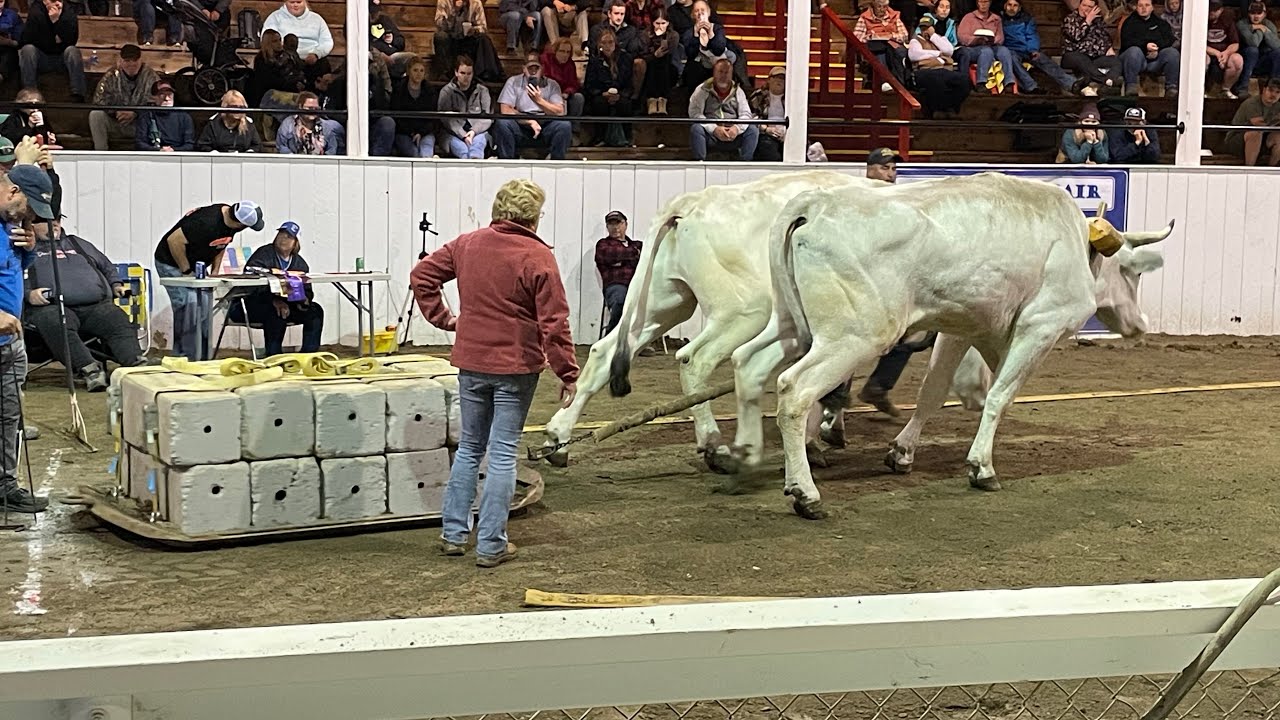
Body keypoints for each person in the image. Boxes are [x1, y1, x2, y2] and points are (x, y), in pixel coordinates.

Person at [410, 178, 578, 568]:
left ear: (497, 210)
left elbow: (422, 276)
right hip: (515, 366)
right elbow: (554, 322)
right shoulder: (537, 256)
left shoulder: (467, 243)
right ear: (534, 217)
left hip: (471, 360)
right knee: (502, 453)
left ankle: (453, 534)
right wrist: (567, 372)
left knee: (469, 448)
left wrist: (445, 320)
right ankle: (491, 544)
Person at [24, 217, 149, 391]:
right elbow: (8, 279)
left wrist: (116, 284)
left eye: (57, 220)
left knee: (116, 318)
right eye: (47, 221)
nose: (55, 224)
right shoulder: (25, 249)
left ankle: (137, 366)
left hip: (95, 306)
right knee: (56, 321)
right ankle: (90, 370)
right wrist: (28, 293)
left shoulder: (77, 243)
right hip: (50, 307)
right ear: (31, 225)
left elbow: (106, 266)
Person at [856, 147, 931, 417]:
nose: (890, 174)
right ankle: (835, 406)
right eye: (885, 168)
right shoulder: (858, 197)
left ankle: (876, 387)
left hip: (889, 280)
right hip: (864, 281)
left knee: (914, 336)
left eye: (893, 169)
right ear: (869, 168)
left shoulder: (896, 200)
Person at [0, 150, 53, 514]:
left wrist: (31, 250)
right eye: (29, 209)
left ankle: (5, 487)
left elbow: (12, 271)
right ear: (13, 190)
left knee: (7, 418)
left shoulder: (10, 224)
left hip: (9, 343)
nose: (31, 219)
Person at [154, 200, 265, 361]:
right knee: (189, 305)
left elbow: (220, 245)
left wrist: (214, 273)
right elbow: (174, 241)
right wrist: (185, 270)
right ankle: (184, 358)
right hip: (171, 261)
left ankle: (203, 358)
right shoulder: (206, 223)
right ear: (240, 224)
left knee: (204, 306)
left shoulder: (230, 222)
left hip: (195, 265)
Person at [237, 221, 324, 356]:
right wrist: (273, 300)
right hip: (255, 304)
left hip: (289, 304)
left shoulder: (300, 263)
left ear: (296, 242)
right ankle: (274, 356)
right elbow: (251, 285)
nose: (283, 238)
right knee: (276, 313)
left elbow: (307, 288)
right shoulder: (263, 254)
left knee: (315, 311)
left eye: (288, 236)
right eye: (281, 234)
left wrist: (304, 300)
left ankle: (308, 355)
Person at [594, 210, 641, 335]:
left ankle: (639, 342)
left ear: (625, 224)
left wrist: (622, 260)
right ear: (607, 227)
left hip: (637, 285)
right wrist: (634, 255)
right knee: (621, 300)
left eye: (618, 223)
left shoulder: (637, 244)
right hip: (616, 284)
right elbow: (610, 256)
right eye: (611, 224)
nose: (615, 227)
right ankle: (612, 338)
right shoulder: (603, 244)